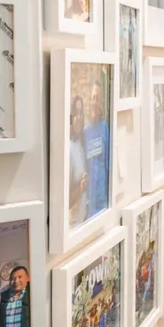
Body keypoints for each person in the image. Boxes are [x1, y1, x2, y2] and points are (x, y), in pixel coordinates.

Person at [83, 80, 110, 219]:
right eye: (93, 98)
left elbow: (109, 166)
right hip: (88, 204)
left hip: (103, 202)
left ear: (101, 103)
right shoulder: (85, 132)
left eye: (97, 98)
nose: (95, 102)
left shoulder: (105, 128)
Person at [69, 94, 88, 227]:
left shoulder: (81, 144)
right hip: (74, 225)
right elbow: (65, 201)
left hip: (84, 220)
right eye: (76, 113)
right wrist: (80, 189)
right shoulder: (69, 148)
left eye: (81, 113)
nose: (79, 117)